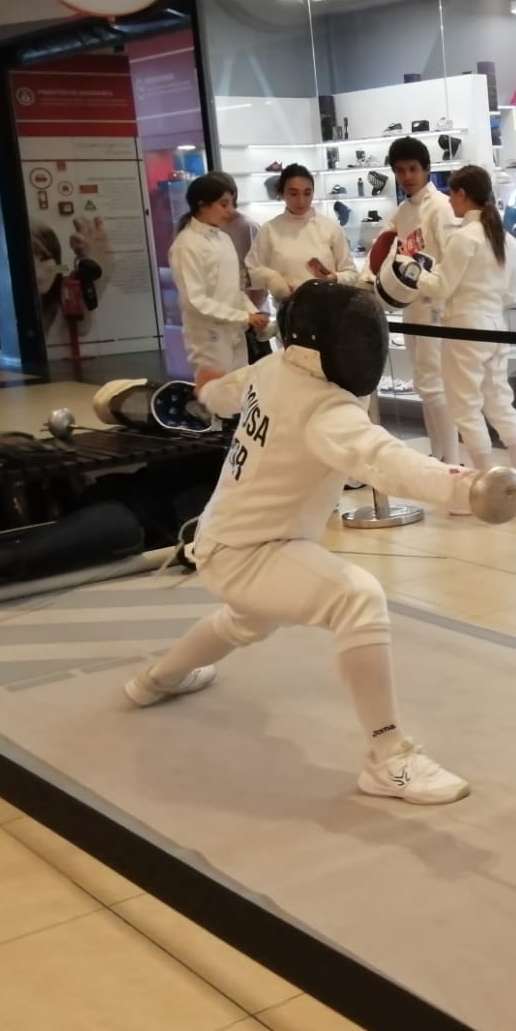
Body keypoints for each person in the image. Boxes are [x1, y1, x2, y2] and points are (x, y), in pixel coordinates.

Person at [124, 281, 479, 804]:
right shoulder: (325, 409)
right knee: (354, 596)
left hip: (226, 538)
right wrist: (462, 484)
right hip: (251, 551)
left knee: (249, 617)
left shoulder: (273, 369)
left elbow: (223, 392)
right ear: (324, 346)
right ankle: (389, 758)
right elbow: (386, 462)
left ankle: (156, 680)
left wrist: (203, 392)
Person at [408, 166, 516, 492]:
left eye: (452, 193)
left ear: (463, 194)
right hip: (495, 327)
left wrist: (414, 273)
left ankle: (489, 488)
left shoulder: (464, 238)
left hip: (465, 328)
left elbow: (441, 288)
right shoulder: (505, 239)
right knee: (501, 405)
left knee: (466, 408)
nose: (450, 200)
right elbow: (510, 294)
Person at [386, 138, 461, 463]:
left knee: (434, 383)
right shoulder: (402, 212)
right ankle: (440, 454)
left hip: (437, 307)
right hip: (412, 305)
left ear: (427, 169)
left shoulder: (441, 207)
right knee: (425, 384)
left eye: (413, 169)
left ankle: (452, 460)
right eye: (400, 170)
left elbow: (451, 261)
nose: (407, 176)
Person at [173, 174, 269, 378]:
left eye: (232, 203)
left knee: (241, 391)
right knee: (216, 397)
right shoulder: (186, 244)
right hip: (207, 336)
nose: (231, 210)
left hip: (235, 332)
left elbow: (234, 289)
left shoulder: (223, 239)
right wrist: (243, 316)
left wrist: (253, 314)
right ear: (202, 204)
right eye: (223, 204)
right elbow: (194, 300)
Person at [246, 163, 358, 314]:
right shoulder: (269, 230)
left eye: (307, 193)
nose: (301, 201)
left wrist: (334, 278)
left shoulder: (330, 228)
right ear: (281, 193)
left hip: (330, 315)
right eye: (293, 193)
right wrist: (273, 281)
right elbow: (251, 272)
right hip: (288, 316)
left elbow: (352, 274)